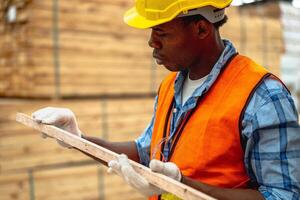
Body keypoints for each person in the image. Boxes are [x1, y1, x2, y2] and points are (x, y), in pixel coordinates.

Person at [32, 0, 300, 199]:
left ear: (201, 29)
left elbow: (283, 195)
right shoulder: (170, 86)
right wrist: (77, 138)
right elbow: (146, 152)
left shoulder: (263, 97)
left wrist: (181, 184)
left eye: (162, 33)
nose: (152, 43)